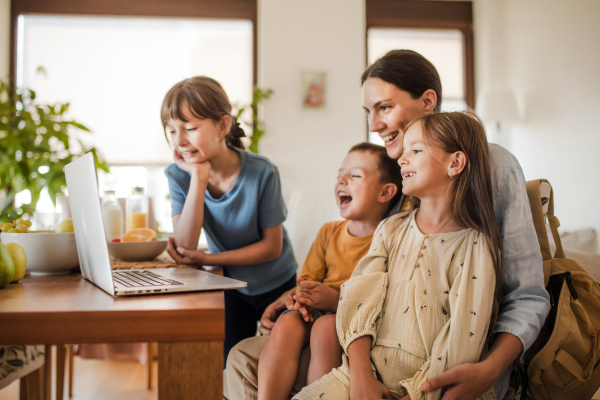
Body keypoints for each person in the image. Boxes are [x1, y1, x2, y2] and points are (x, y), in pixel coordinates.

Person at [225, 50, 550, 400]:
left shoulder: (491, 167)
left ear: (428, 101)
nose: (374, 125)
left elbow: (527, 296)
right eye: (368, 111)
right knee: (245, 354)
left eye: (384, 107)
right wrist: (298, 297)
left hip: (451, 358)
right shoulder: (398, 174)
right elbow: (378, 278)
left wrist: (488, 371)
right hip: (374, 342)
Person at [294, 111, 501, 400]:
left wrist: (416, 394)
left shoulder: (476, 246)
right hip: (359, 375)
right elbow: (358, 301)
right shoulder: (390, 229)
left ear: (455, 162)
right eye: (403, 152)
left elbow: (461, 342)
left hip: (429, 390)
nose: (402, 159)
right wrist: (361, 376)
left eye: (415, 151)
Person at [162, 76, 298, 363]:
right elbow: (186, 243)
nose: (180, 141)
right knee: (230, 362)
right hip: (231, 287)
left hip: (277, 283)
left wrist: (210, 259)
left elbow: (271, 247)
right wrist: (198, 178)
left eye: (190, 128)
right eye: (171, 130)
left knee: (276, 361)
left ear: (222, 126)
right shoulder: (178, 175)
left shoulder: (262, 172)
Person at [257, 143, 403, 400]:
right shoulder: (328, 232)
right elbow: (308, 280)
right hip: (319, 310)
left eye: (354, 175)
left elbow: (381, 301)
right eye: (339, 176)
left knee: (326, 327)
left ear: (386, 192)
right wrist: (301, 299)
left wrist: (335, 302)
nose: (341, 181)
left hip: (355, 320)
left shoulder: (390, 239)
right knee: (289, 322)